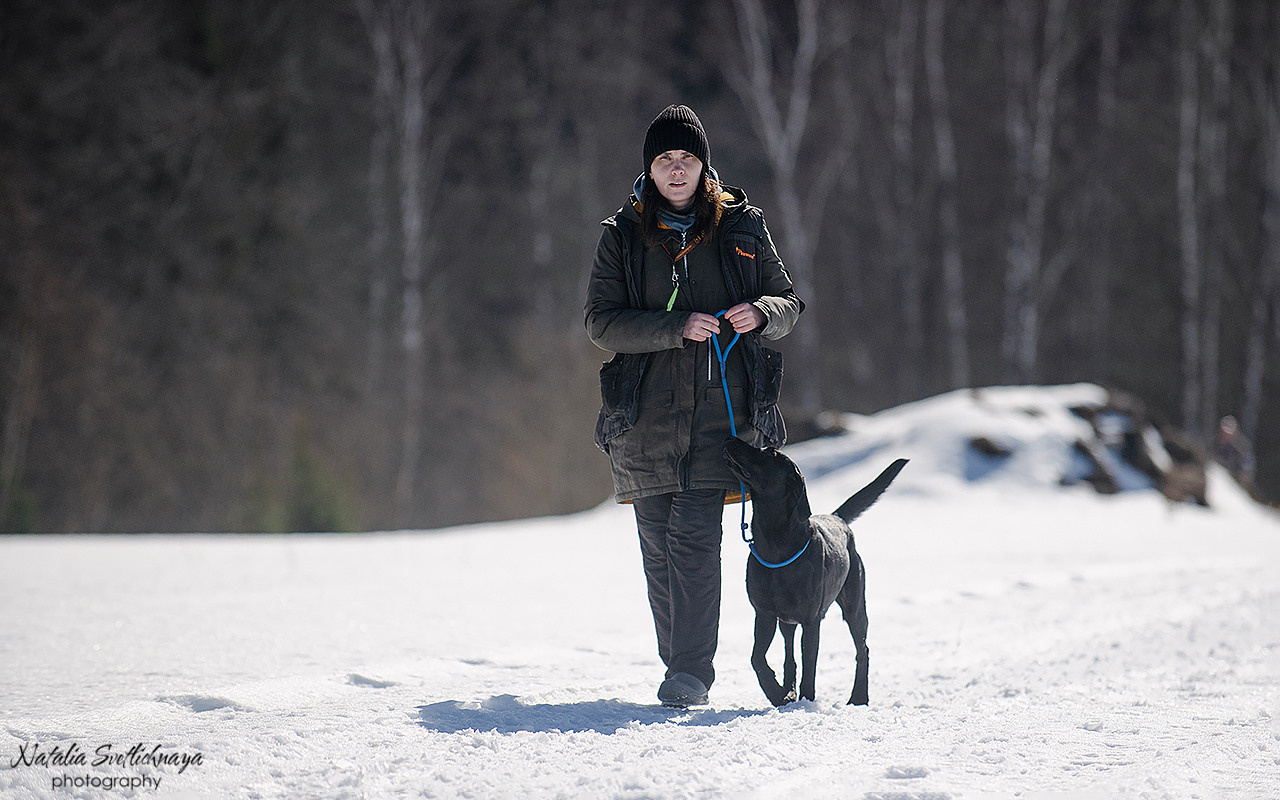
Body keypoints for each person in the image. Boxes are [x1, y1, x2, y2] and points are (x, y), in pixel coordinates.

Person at [584, 104, 803, 707]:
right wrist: (675, 326)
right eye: (664, 159)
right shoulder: (621, 236)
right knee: (658, 545)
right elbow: (601, 323)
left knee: (695, 539)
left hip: (723, 415)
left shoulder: (742, 227)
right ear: (649, 169)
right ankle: (677, 663)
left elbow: (788, 302)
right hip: (643, 417)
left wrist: (762, 312)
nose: (676, 169)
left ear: (703, 165)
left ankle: (690, 673)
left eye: (686, 158)